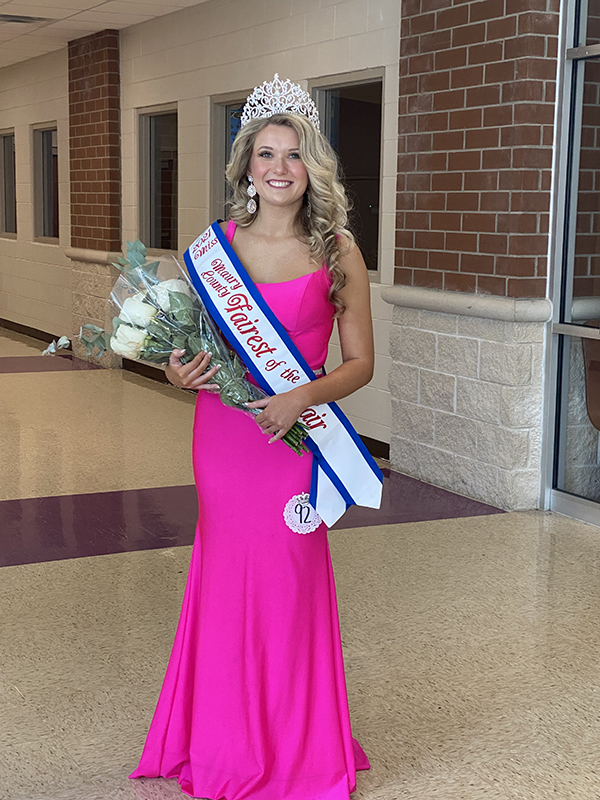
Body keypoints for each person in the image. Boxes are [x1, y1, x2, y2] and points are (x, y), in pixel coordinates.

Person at [130, 75, 375, 800]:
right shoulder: (215, 251)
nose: (277, 168)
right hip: (225, 442)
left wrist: (301, 396)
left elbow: (360, 364)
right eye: (265, 154)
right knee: (228, 581)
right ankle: (225, 741)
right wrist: (179, 371)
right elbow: (191, 348)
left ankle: (301, 744)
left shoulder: (338, 252)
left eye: (293, 156)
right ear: (244, 166)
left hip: (293, 446)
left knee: (289, 585)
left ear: (312, 168)